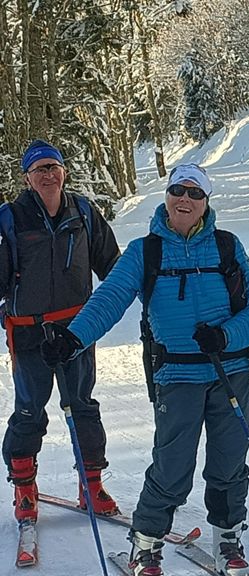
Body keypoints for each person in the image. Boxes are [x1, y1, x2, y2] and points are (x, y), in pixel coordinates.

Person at [40, 163, 249, 576]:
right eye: (178, 190)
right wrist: (73, 339)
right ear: (167, 195)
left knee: (230, 463)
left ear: (206, 202)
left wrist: (225, 335)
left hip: (230, 370)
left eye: (195, 193)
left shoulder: (227, 246)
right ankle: (145, 544)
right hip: (177, 375)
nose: (185, 199)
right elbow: (109, 298)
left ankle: (228, 538)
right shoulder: (146, 251)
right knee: (172, 466)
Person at [1, 140, 121, 525]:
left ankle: (92, 485)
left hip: (76, 329)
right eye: (39, 170)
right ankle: (24, 489)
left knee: (82, 405)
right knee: (29, 409)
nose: (48, 175)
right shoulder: (10, 218)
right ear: (27, 178)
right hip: (29, 332)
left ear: (63, 172)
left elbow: (114, 267)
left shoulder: (83, 212)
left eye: (53, 167)